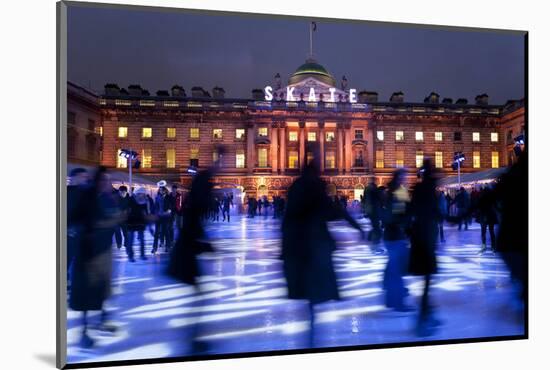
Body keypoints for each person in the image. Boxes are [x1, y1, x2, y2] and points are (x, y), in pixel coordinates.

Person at [281, 142, 365, 348]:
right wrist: (357, 227)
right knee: (315, 288)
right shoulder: (314, 185)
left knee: (310, 290)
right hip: (313, 246)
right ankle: (311, 335)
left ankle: (310, 333)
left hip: (300, 246)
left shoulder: (298, 185)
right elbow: (334, 210)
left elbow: (288, 219)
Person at [69, 167, 124, 348]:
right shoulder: (81, 197)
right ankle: (84, 332)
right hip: (88, 254)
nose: (108, 184)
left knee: (102, 289)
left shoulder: (106, 198)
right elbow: (79, 221)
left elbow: (111, 217)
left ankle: (101, 321)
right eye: (104, 180)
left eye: (108, 180)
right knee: (85, 293)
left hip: (103, 251)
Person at [409, 160, 441, 336]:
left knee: (426, 282)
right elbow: (435, 212)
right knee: (427, 282)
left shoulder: (420, 189)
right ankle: (423, 319)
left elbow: (411, 210)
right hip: (426, 240)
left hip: (420, 238)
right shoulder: (428, 190)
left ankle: (427, 314)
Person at [494, 149, 527, 302]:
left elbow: (490, 199)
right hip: (513, 236)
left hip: (510, 237)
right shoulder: (513, 177)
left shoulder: (510, 177)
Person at [381, 168, 413, 312]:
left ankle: (389, 296)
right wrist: (407, 227)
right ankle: (398, 301)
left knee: (394, 266)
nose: (405, 179)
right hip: (395, 235)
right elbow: (401, 213)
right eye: (404, 177)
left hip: (391, 235)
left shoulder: (391, 191)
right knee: (397, 269)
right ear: (399, 178)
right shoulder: (399, 192)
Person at [67, 168, 89, 287]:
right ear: (74, 177)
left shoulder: (84, 193)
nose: (85, 179)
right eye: (82, 176)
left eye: (86, 177)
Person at [126, 187, 155, 261]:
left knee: (142, 239)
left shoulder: (145, 201)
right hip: (131, 221)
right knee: (131, 240)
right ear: (137, 193)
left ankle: (142, 255)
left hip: (140, 222)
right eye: (140, 193)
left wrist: (149, 226)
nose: (141, 195)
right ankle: (130, 256)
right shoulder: (131, 199)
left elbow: (146, 213)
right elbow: (127, 211)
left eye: (143, 194)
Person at [475, 185, 499, 254]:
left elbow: (478, 206)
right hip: (490, 216)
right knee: (491, 231)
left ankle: (484, 245)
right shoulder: (492, 197)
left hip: (483, 217)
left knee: (483, 232)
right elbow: (496, 206)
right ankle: (493, 246)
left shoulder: (481, 196)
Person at [152, 181, 173, 254]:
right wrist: (155, 213)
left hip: (166, 217)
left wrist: (169, 210)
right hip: (158, 217)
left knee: (166, 231)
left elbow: (171, 206)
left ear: (165, 190)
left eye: (162, 190)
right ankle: (154, 248)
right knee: (157, 232)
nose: (161, 191)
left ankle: (167, 246)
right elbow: (155, 206)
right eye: (160, 190)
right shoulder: (157, 197)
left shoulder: (168, 197)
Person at [114, 185, 130, 249]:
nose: (122, 193)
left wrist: (127, 211)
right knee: (117, 231)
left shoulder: (128, 198)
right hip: (117, 218)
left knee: (125, 232)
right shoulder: (116, 198)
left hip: (125, 218)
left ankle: (126, 243)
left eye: (123, 192)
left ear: (126, 192)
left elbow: (129, 207)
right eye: (120, 192)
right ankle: (119, 243)